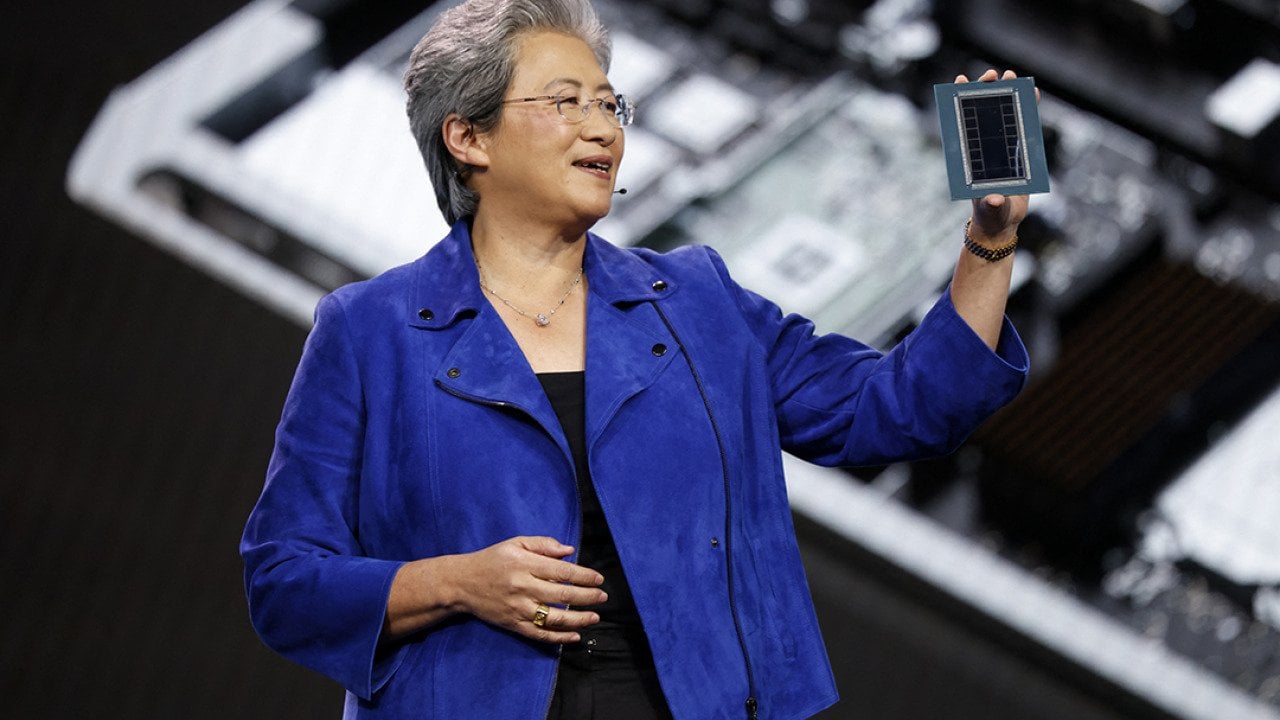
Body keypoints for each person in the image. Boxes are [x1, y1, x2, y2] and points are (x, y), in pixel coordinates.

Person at [240, 0, 1031, 717]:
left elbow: (899, 408)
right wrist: (455, 583)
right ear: (468, 135)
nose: (604, 128)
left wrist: (990, 239)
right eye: (565, 103)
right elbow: (283, 582)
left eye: (609, 104)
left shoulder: (697, 302)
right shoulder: (369, 331)